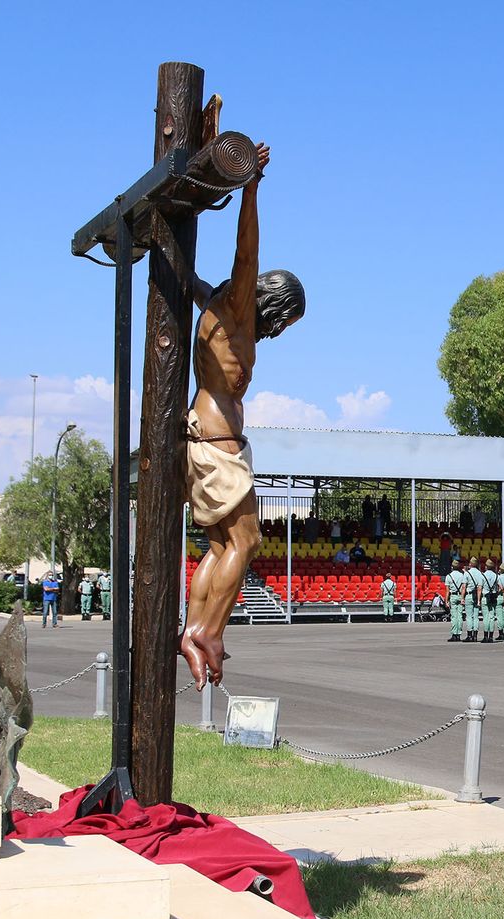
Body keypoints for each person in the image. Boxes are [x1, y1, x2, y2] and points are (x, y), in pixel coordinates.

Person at [181, 139, 305, 689]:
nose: (280, 332)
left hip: (204, 439)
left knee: (219, 545)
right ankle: (210, 630)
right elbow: (246, 253)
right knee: (248, 541)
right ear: (275, 303)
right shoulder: (238, 306)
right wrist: (251, 187)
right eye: (286, 320)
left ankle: (192, 628)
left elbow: (194, 283)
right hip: (218, 443)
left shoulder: (215, 304)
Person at [444, 556, 466, 642]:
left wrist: (446, 601)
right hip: (460, 595)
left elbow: (447, 591)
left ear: (452, 567)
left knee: (454, 616)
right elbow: (464, 587)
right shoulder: (462, 575)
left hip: (453, 596)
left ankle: (454, 634)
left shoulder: (449, 576)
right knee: (459, 616)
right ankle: (459, 634)